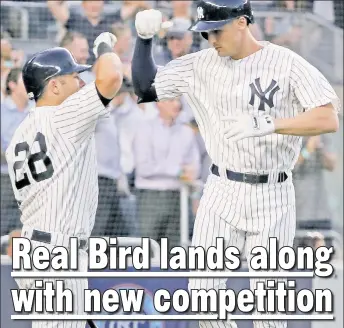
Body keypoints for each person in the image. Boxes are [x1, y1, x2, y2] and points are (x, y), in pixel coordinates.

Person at [131, 1, 340, 328]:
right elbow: (145, 89)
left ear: (242, 22)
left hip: (273, 194)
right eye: (206, 32)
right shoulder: (199, 64)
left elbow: (327, 118)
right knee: (203, 298)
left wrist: (270, 124)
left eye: (218, 29)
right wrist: (143, 41)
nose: (211, 38)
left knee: (270, 308)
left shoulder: (286, 63)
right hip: (222, 189)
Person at [5, 32, 122, 328]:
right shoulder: (63, 117)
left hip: (39, 248)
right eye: (73, 77)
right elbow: (110, 77)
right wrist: (104, 47)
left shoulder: (20, 134)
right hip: (57, 253)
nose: (81, 82)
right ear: (54, 85)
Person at [133, 98, 200, 247]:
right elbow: (144, 168)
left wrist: (185, 172)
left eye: (178, 101)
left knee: (175, 251)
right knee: (148, 249)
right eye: (172, 100)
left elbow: (194, 168)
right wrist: (177, 171)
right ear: (159, 103)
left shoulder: (186, 131)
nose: (177, 104)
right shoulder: (145, 128)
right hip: (150, 197)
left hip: (179, 197)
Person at [1, 68, 31, 236]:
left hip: (30, 179)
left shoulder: (36, 112)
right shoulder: (2, 111)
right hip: (5, 177)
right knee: (3, 221)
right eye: (24, 82)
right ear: (12, 85)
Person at [293, 135, 337, 247]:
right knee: (299, 259)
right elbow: (291, 167)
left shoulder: (322, 135)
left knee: (324, 257)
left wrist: (320, 148)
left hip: (321, 212)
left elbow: (332, 165)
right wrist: (308, 149)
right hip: (299, 213)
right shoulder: (293, 135)